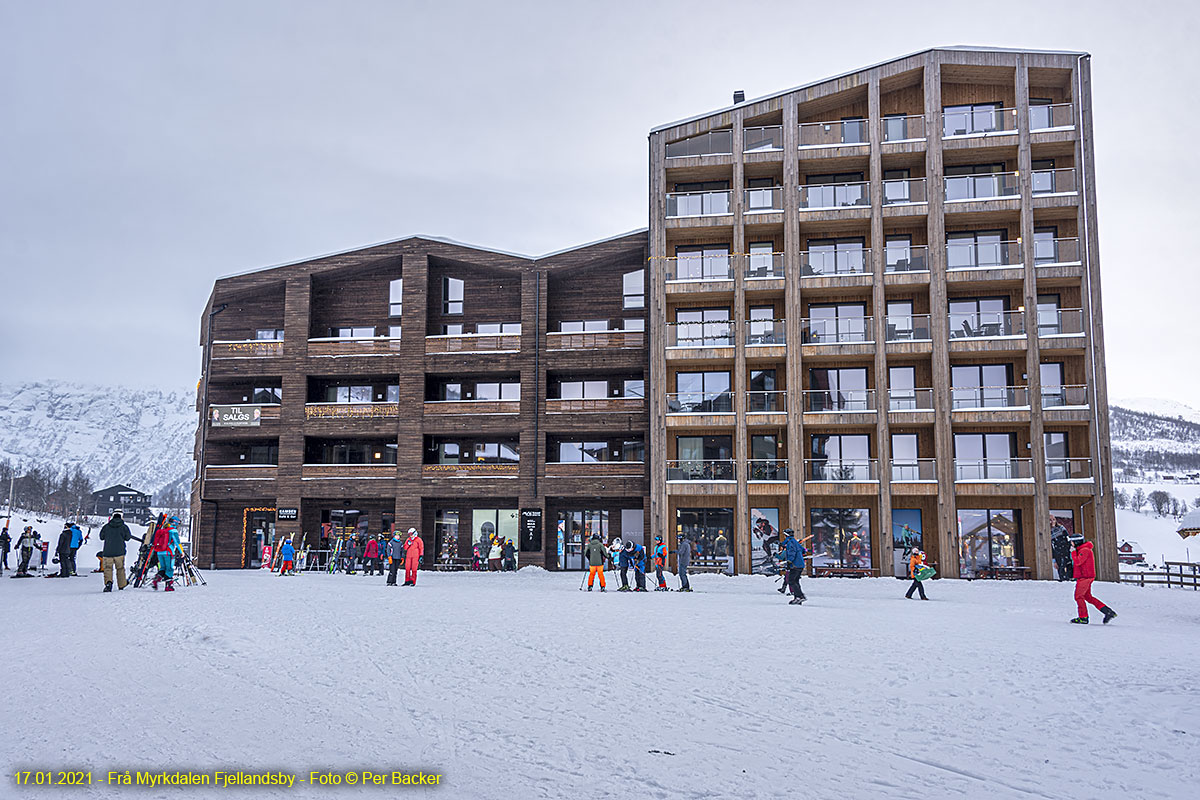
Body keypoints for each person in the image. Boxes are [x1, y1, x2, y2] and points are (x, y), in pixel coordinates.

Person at [1070, 534, 1116, 624]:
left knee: (1078, 596)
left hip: (1085, 577)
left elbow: (1078, 561)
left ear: (1076, 542)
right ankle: (1108, 612)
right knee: (1088, 597)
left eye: (1072, 541)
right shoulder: (1082, 550)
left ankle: (1083, 618)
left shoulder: (1085, 550)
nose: (1071, 544)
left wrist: (1073, 552)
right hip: (1084, 577)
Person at [98, 511, 132, 591]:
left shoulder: (106, 526)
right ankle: (121, 584)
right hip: (120, 552)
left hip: (108, 552)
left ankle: (108, 583)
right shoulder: (124, 527)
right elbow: (128, 538)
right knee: (120, 568)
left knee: (108, 568)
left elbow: (101, 537)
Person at [779, 529, 807, 605]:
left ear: (786, 535)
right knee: (796, 581)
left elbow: (792, 552)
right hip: (800, 565)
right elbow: (803, 550)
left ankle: (799, 597)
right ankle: (798, 596)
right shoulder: (795, 542)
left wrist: (789, 561)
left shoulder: (790, 542)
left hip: (795, 565)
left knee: (791, 581)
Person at [150, 517, 179, 591]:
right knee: (169, 568)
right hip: (168, 552)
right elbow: (177, 543)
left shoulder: (162, 530)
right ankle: (168, 586)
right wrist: (181, 552)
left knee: (163, 568)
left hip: (159, 552)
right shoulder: (173, 531)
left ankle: (156, 579)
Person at [1050, 516, 1072, 582]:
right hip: (1057, 552)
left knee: (1068, 565)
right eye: (1050, 520)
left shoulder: (1061, 528)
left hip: (1065, 549)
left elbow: (1067, 537)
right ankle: (1063, 580)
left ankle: (1070, 579)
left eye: (1053, 519)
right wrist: (1054, 560)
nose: (1052, 521)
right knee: (1060, 567)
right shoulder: (1048, 531)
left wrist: (1069, 546)